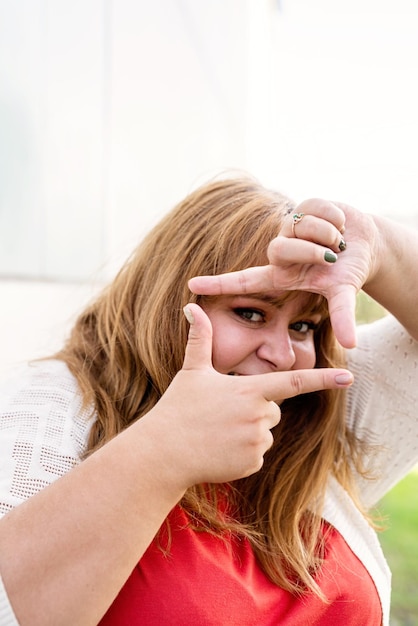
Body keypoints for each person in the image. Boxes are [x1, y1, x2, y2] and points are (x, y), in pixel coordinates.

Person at [0, 176, 417, 626]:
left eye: (304, 326)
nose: (281, 355)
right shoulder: (54, 405)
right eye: (250, 312)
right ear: (170, 301)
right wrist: (164, 449)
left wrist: (377, 243)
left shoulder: (317, 412)